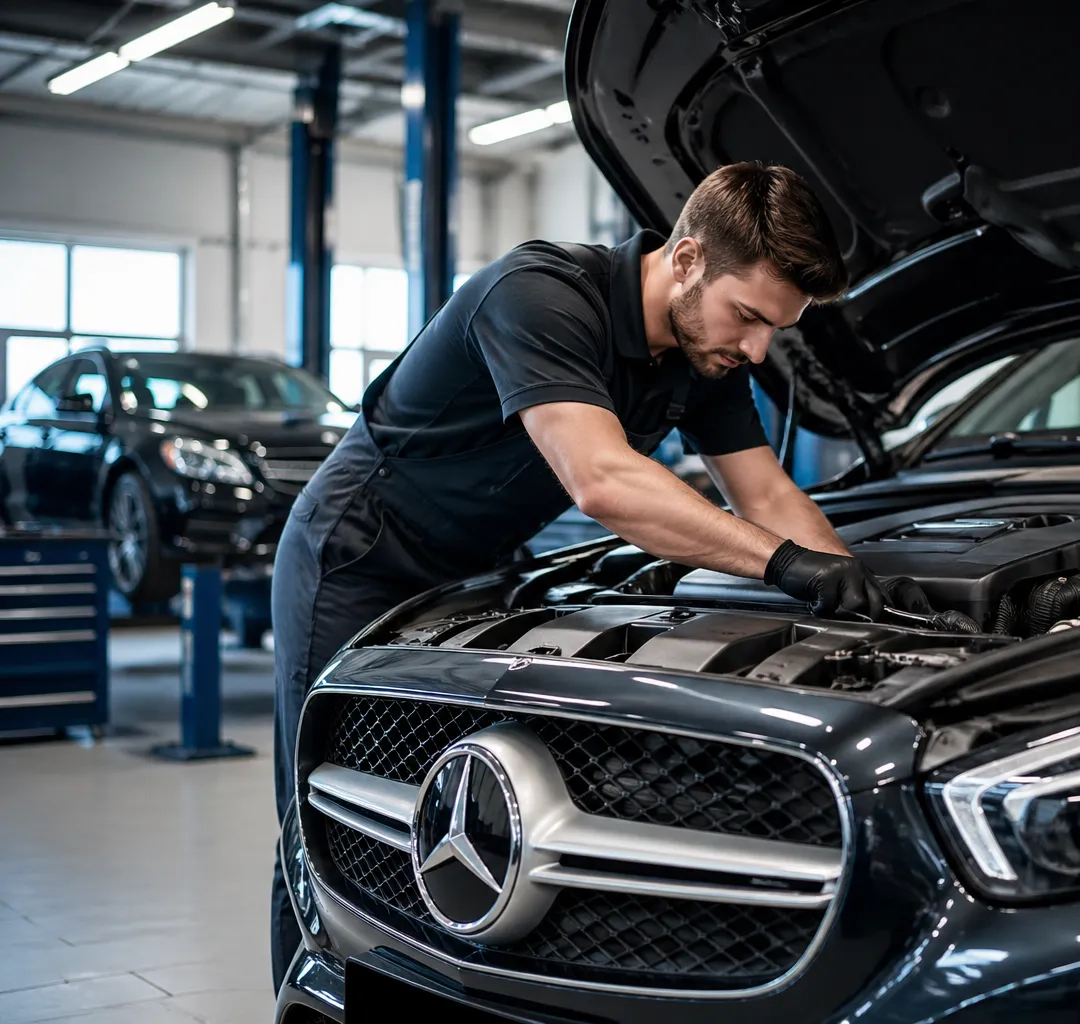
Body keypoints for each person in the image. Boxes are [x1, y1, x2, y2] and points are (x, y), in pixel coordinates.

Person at [267, 161, 938, 990]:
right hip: (360, 557)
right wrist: (786, 568)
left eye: (777, 329)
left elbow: (763, 490)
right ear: (687, 259)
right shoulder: (538, 296)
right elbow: (601, 480)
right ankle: (318, 990)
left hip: (476, 575)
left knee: (458, 819)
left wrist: (858, 590)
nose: (759, 349)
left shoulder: (707, 355)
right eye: (750, 318)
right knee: (323, 821)